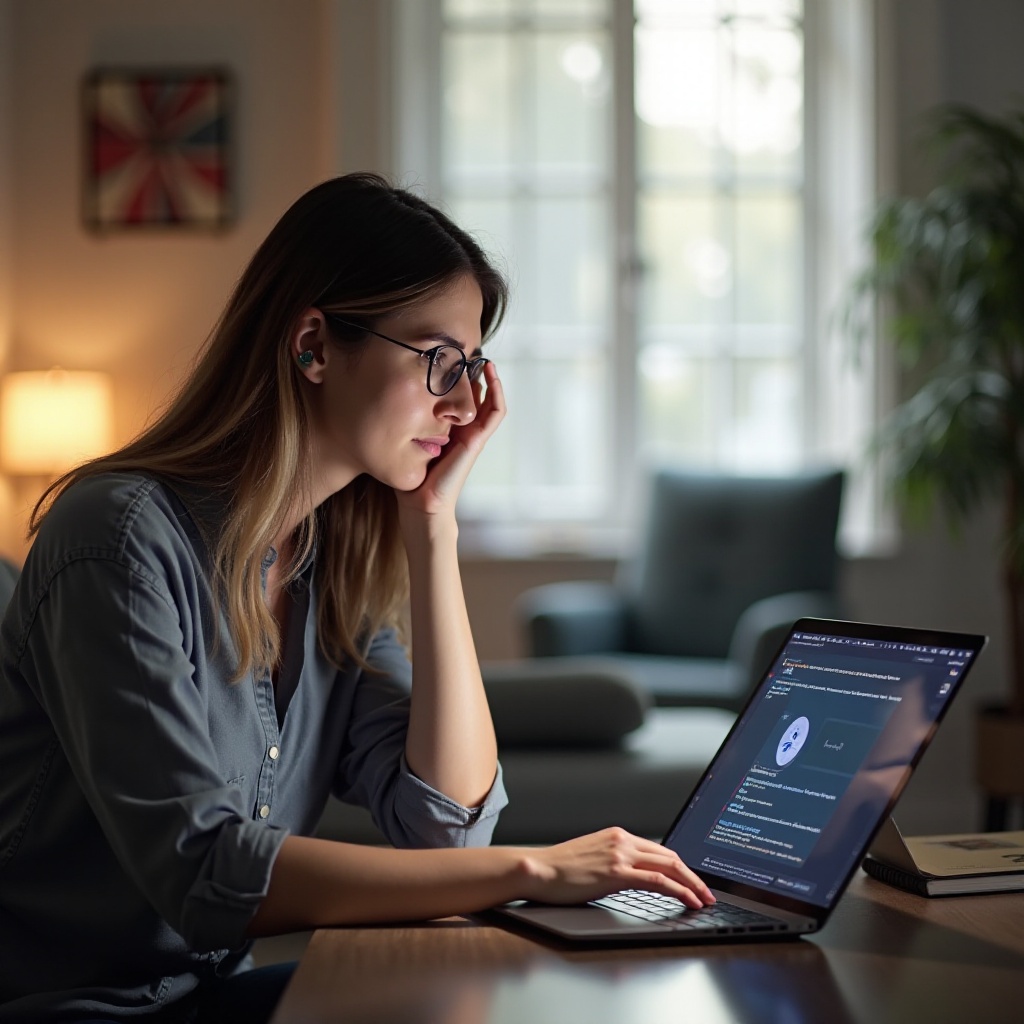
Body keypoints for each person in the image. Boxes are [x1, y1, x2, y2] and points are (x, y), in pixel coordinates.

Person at [0, 173, 713, 1023]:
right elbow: (201, 872)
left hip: (207, 997)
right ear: (313, 345)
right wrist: (535, 869)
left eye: (473, 368)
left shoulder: (327, 559)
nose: (460, 405)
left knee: (517, 991)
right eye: (439, 361)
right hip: (74, 1011)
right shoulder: (114, 542)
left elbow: (444, 826)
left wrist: (434, 529)